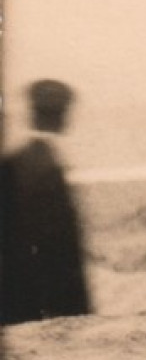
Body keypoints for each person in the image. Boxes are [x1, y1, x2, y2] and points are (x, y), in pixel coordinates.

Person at [0, 79, 93, 324]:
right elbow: (58, 245)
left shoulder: (19, 161)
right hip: (40, 297)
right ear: (62, 115)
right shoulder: (44, 164)